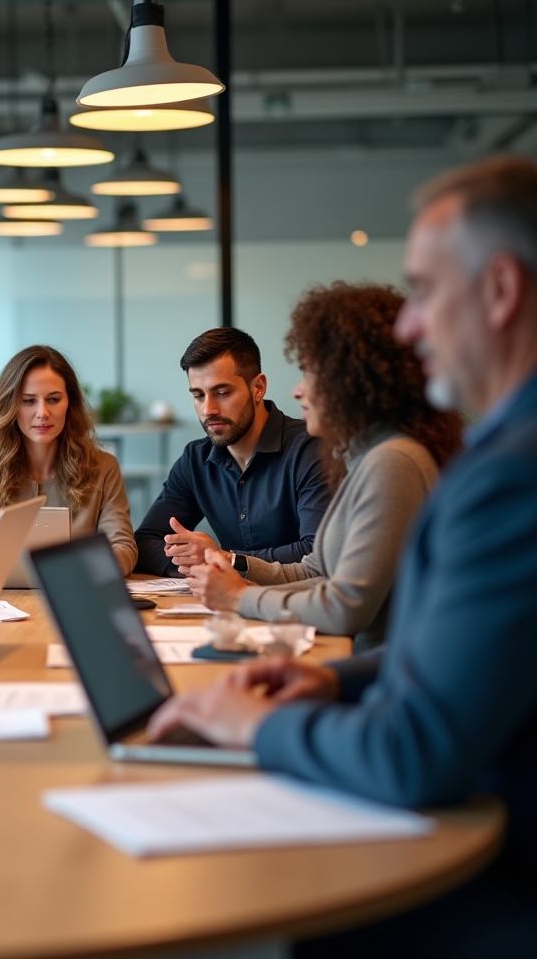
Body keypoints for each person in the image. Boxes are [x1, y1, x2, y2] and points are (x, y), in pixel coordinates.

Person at [148, 156, 537, 955]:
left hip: (499, 861)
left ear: (499, 292)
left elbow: (413, 753)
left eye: (426, 291)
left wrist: (252, 726)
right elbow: (441, 657)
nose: (409, 326)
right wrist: (329, 675)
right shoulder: (496, 453)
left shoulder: (508, 479)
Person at [185, 283, 462, 651]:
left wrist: (240, 599)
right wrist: (234, 568)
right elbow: (315, 572)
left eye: (309, 373)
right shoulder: (365, 458)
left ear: (353, 381)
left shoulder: (392, 462)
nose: (297, 391)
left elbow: (345, 607)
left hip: (371, 674)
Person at [0, 345, 137, 576]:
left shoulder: (103, 467)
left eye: (53, 399)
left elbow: (125, 549)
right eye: (28, 401)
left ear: (70, 404)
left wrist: (80, 563)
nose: (42, 412)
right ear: (11, 405)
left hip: (75, 595)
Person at [134, 328, 332, 576]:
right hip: (225, 605)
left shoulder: (310, 450)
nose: (208, 409)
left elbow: (317, 554)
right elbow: (144, 543)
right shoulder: (195, 460)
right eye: (198, 395)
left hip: (295, 607)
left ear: (258, 387)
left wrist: (224, 560)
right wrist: (208, 565)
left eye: (222, 393)